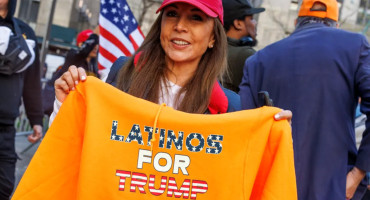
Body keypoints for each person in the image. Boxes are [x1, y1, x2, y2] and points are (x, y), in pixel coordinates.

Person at [51, 0, 291, 121]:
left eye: (196, 18)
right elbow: (78, 143)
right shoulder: (119, 74)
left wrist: (274, 137)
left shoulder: (232, 108)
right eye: (172, 14)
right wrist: (63, 105)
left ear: (213, 38)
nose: (179, 26)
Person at [239, 0, 370, 199]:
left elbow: (244, 131)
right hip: (334, 187)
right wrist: (357, 174)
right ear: (336, 25)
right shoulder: (355, 46)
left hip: (272, 187)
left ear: (295, 22)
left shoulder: (258, 60)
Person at [0, 0, 43, 199]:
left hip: (6, 127)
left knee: (5, 186)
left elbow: (32, 80)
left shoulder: (25, 32)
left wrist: (36, 119)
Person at [42, 29, 99, 116]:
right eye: (93, 44)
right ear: (81, 44)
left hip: (81, 111)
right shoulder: (73, 56)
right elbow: (83, 51)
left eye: (97, 44)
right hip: (64, 108)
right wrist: (96, 35)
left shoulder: (93, 65)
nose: (96, 47)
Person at [221, 0, 265, 93]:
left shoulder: (213, 49)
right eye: (251, 19)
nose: (255, 23)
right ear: (238, 24)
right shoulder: (246, 55)